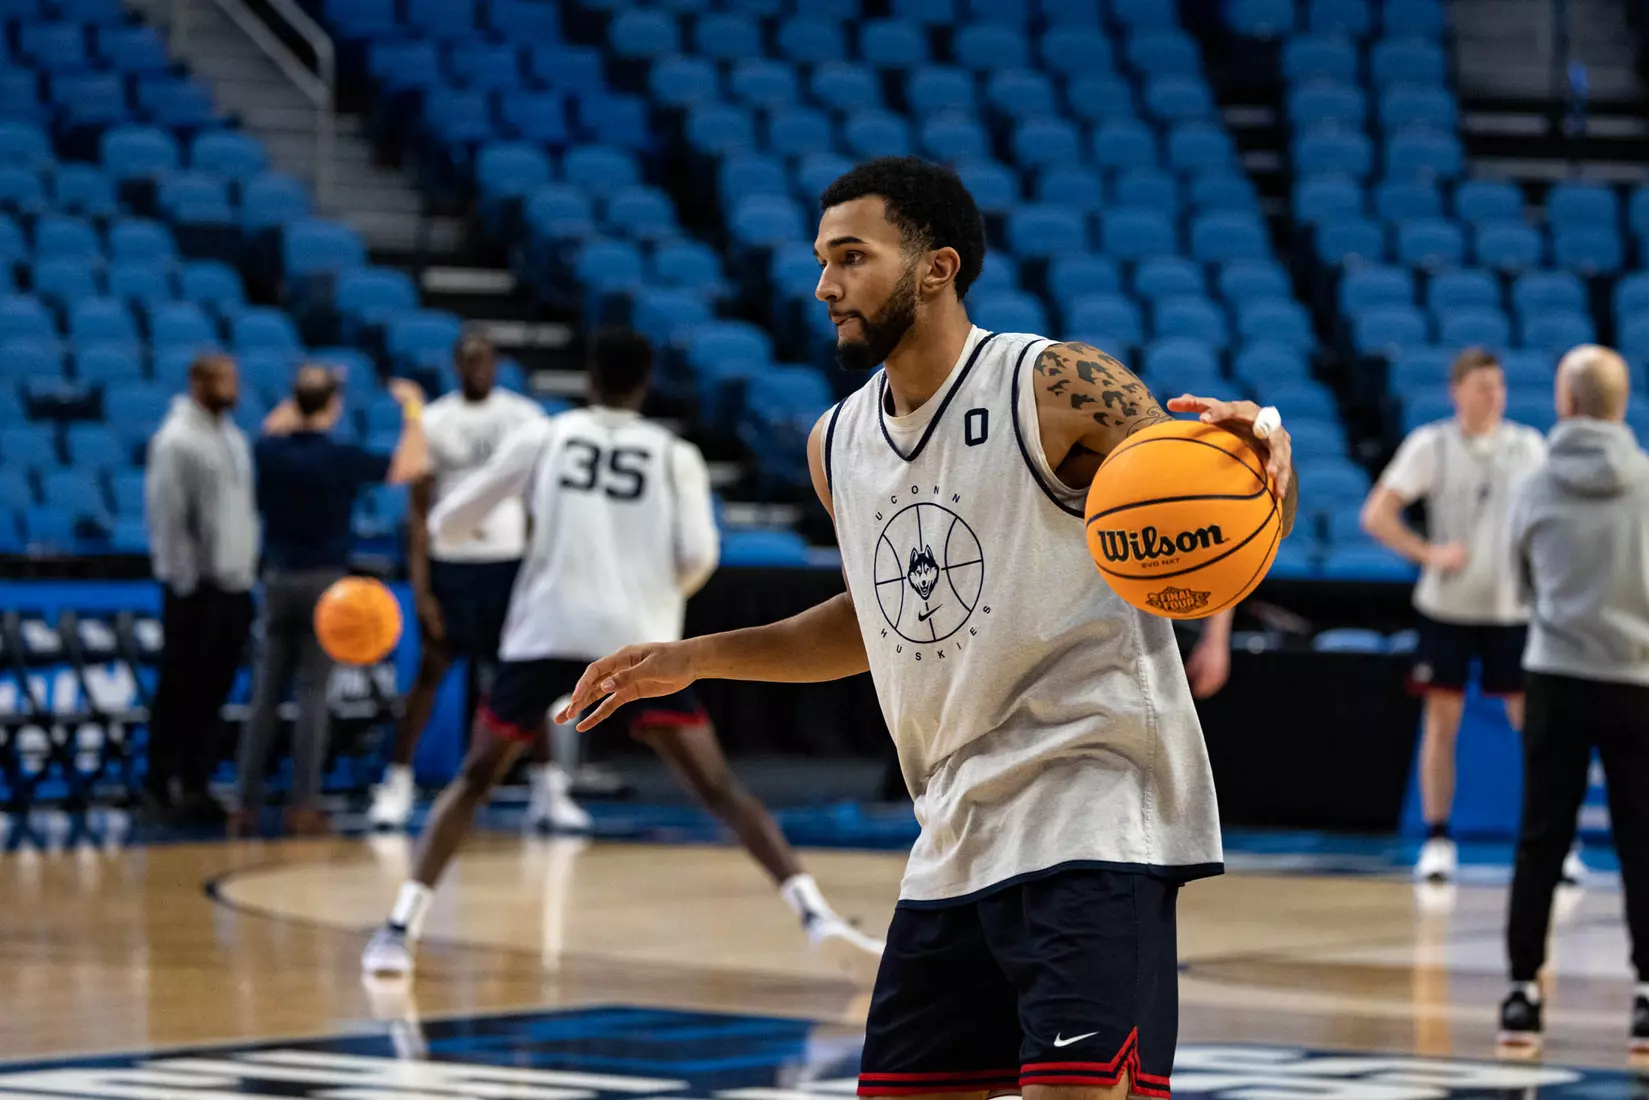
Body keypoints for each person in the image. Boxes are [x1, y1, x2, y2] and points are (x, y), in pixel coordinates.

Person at [559, 158, 1298, 1095]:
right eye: (822, 261)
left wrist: (1257, 456)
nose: (825, 286)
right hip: (952, 831)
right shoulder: (836, 444)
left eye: (851, 257)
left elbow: (1212, 512)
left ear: (936, 267)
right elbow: (876, 623)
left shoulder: (1052, 383)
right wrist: (692, 658)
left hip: (1092, 808)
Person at [360, 327, 880, 978]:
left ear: (589, 378)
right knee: (719, 789)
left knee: (473, 782)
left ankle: (399, 928)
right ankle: (814, 915)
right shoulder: (673, 454)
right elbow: (698, 557)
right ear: (644, 386)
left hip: (546, 631)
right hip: (638, 643)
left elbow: (447, 522)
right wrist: (650, 597)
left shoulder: (545, 436)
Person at [1360, 348, 1583, 884]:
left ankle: (1555, 843)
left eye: (1499, 386)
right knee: (1442, 724)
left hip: (1514, 609)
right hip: (1448, 609)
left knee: (1535, 729)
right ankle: (1438, 840)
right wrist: (1428, 553)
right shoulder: (1432, 444)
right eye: (1482, 387)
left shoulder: (1528, 446)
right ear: (1456, 391)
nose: (1494, 396)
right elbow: (1377, 514)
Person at [364, 332, 584, 832]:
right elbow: (418, 513)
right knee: (430, 673)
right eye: (467, 361)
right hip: (452, 566)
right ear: (455, 366)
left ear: (496, 364)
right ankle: (397, 784)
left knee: (527, 679)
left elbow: (543, 502)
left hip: (510, 566)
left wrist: (542, 571)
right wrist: (422, 589)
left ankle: (548, 790)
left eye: (483, 360)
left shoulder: (525, 419)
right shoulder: (437, 420)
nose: (476, 369)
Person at [1499, 345, 1649, 1054]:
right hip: (1635, 679)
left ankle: (1521, 995)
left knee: (1540, 840)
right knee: (1641, 841)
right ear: (1620, 404)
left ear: (1565, 402)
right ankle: (1646, 996)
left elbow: (1519, 582)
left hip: (1556, 675)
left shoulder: (1532, 485)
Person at [233, 367, 429, 837]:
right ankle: (303, 805)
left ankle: (244, 803)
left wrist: (304, 396)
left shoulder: (269, 450)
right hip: (326, 585)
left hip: (277, 578)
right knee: (313, 695)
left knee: (265, 694)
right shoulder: (340, 456)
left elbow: (274, 425)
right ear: (334, 407)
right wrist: (414, 410)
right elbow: (408, 466)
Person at [143, 353, 259, 827]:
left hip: (235, 583)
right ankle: (160, 784)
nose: (233, 389)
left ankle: (197, 783)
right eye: (223, 381)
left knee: (213, 691)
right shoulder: (176, 439)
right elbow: (168, 515)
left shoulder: (233, 437)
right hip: (195, 589)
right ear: (198, 383)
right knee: (179, 689)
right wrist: (184, 581)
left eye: (234, 380)